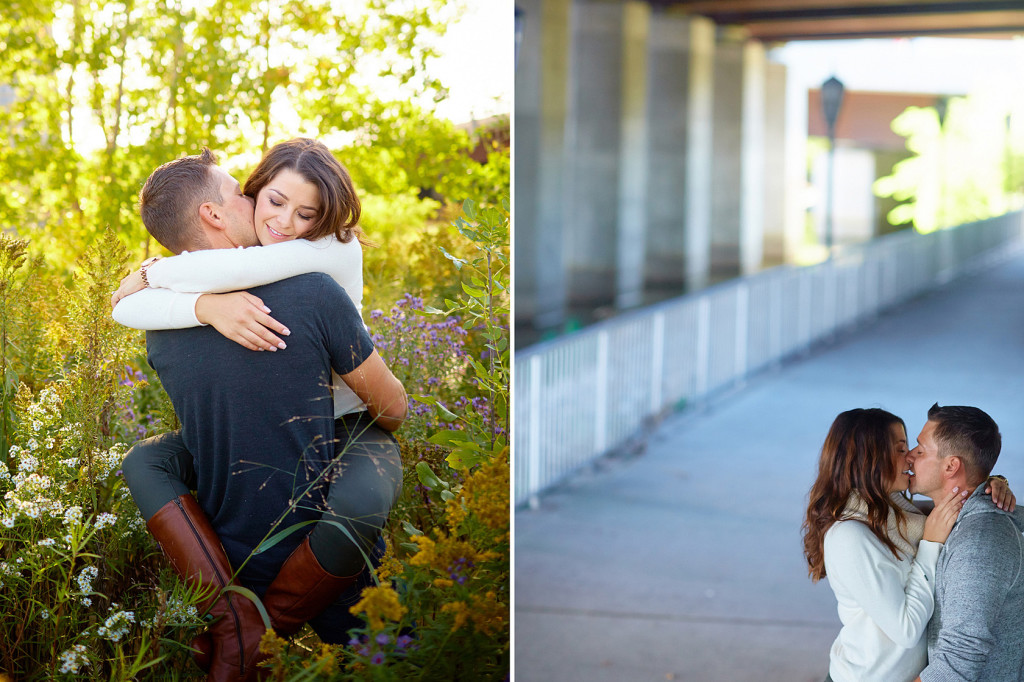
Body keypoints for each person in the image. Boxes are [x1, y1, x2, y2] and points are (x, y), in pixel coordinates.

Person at [113, 145, 407, 681]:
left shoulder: (322, 253)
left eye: (307, 213)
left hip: (344, 419)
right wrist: (204, 305)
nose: (283, 222)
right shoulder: (286, 294)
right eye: (258, 197)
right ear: (215, 213)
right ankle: (254, 629)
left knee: (361, 492)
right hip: (316, 461)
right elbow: (134, 301)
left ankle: (243, 628)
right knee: (145, 460)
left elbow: (217, 273)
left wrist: (163, 279)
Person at [802, 408, 1014, 682]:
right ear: (871, 457)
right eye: (901, 448)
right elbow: (906, 630)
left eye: (913, 448)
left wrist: (991, 484)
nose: (911, 456)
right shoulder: (849, 535)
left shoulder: (894, 512)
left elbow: (954, 500)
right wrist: (930, 544)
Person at [907, 404, 1024, 682]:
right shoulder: (960, 519)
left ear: (951, 466)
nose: (909, 457)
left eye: (920, 450)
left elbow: (959, 659)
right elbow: (890, 513)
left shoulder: (980, 541)